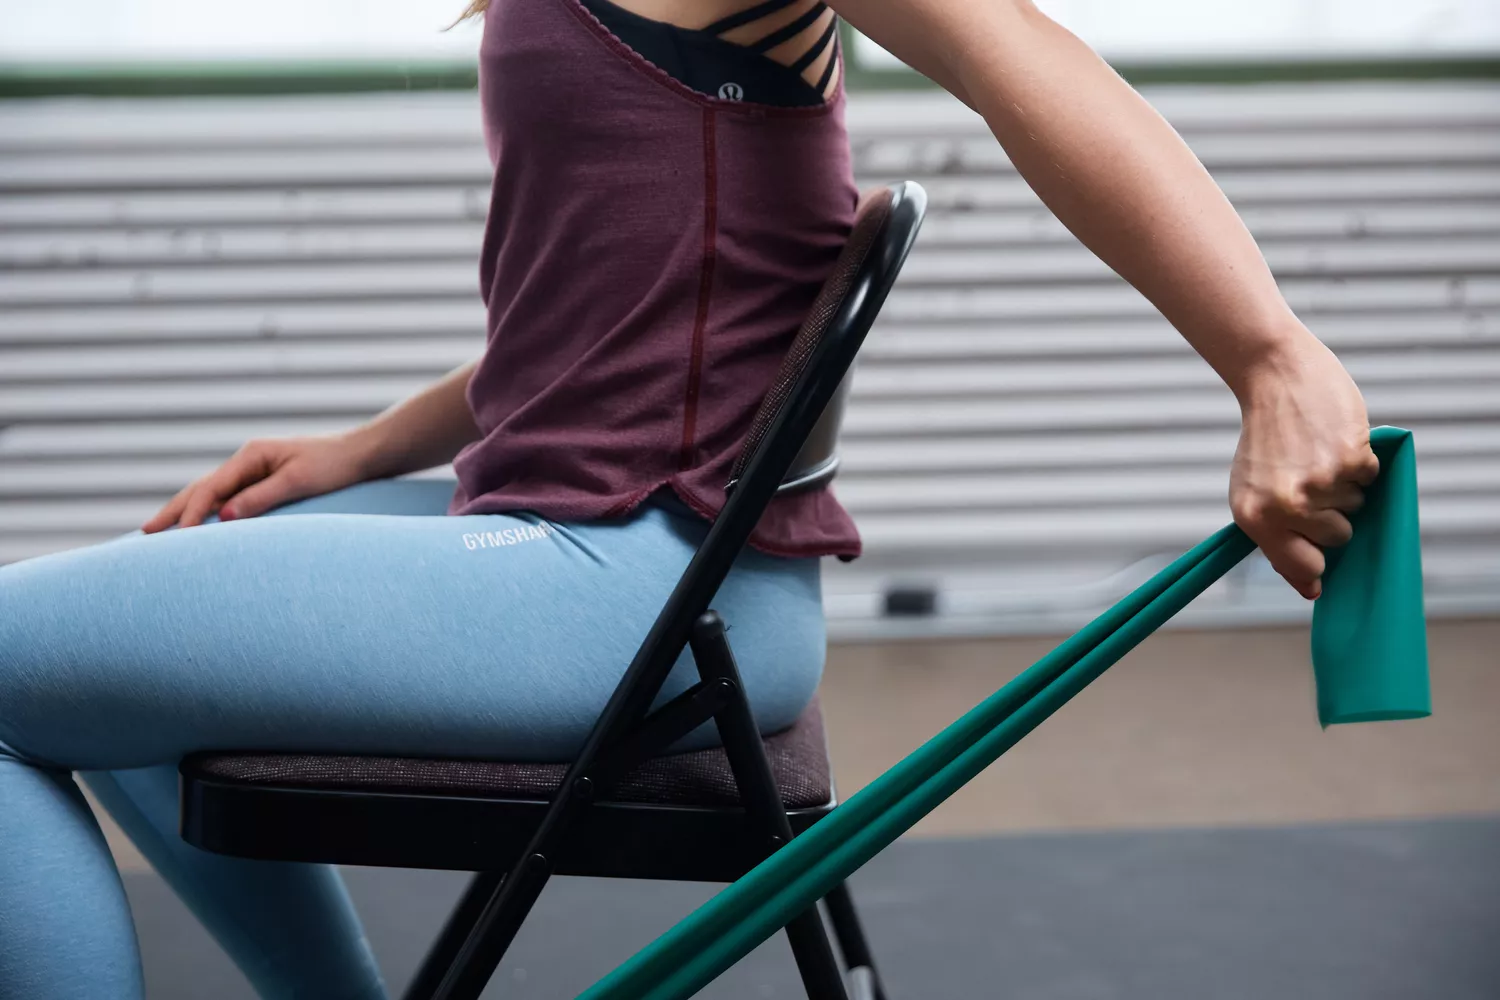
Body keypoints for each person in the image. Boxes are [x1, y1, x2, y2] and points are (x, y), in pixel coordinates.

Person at [0, 0, 1379, 997]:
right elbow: (612, 320)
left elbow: (1029, 60)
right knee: (149, 593)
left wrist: (1273, 359)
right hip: (596, 547)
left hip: (635, 586)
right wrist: (358, 452)